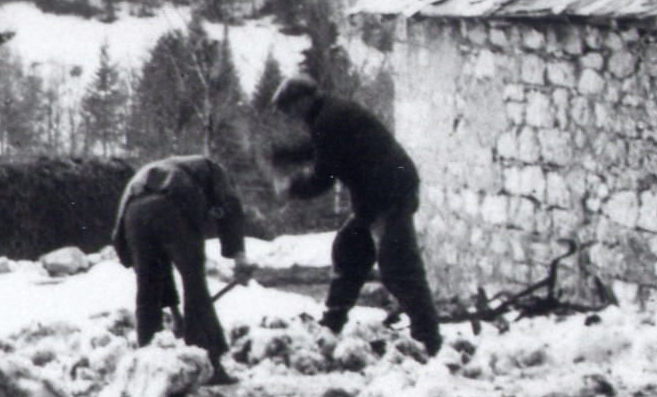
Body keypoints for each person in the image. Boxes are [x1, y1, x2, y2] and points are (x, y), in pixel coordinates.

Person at [268, 75, 443, 354]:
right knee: (349, 248)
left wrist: (293, 186)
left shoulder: (329, 119)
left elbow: (323, 176)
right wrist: (287, 155)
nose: (291, 117)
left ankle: (428, 339)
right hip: (376, 196)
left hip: (390, 193)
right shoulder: (328, 114)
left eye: (290, 109)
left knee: (399, 268)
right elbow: (322, 149)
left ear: (303, 100)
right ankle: (332, 323)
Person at [112, 154, 252, 380]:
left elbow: (159, 269)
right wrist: (239, 256)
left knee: (148, 290)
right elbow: (230, 206)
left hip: (133, 211)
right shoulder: (214, 168)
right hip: (172, 202)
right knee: (195, 284)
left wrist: (176, 312)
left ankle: (148, 369)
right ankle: (208, 366)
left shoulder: (164, 168)